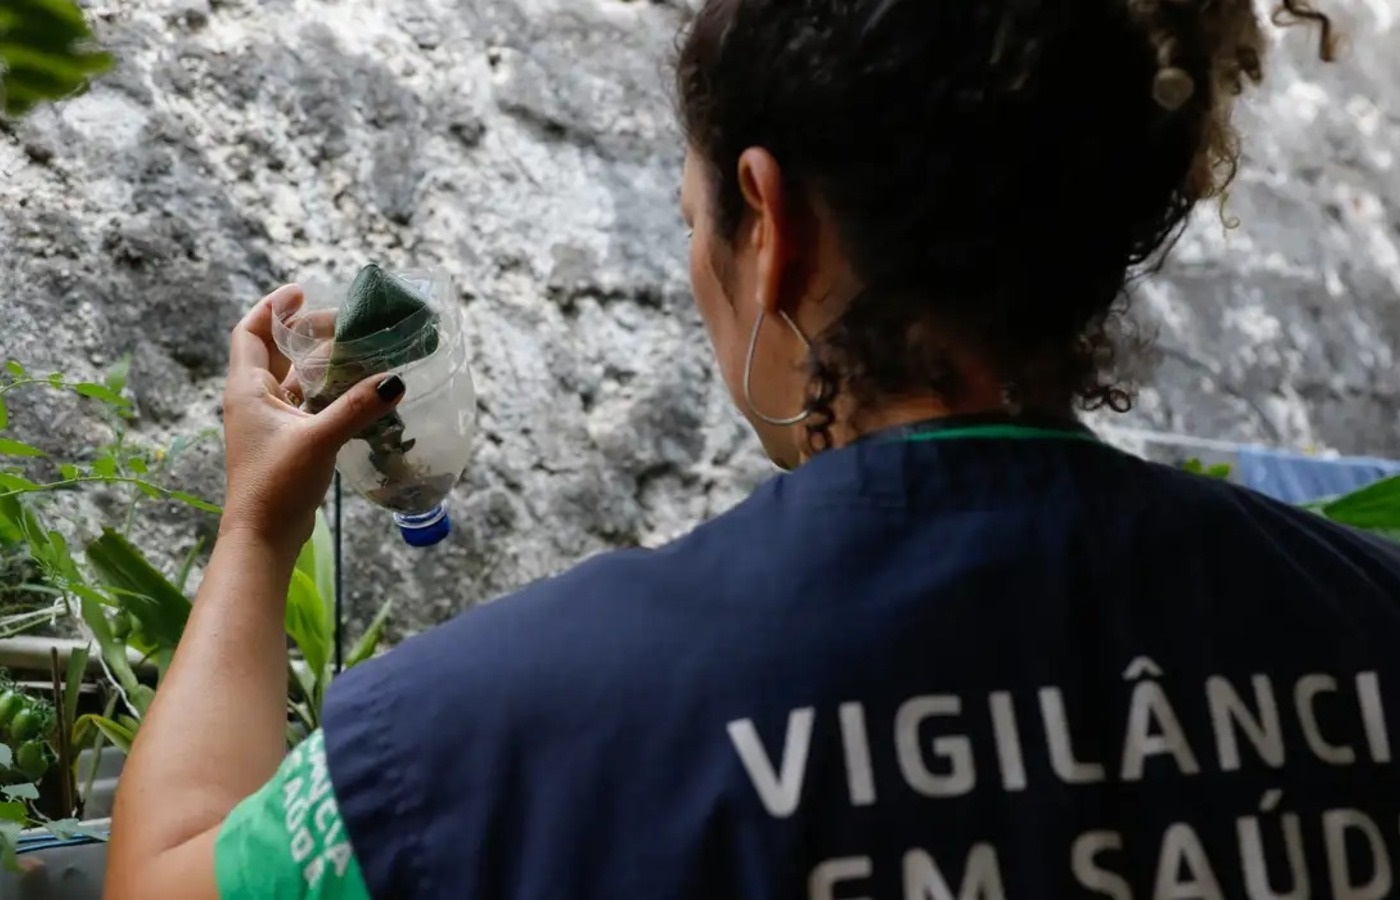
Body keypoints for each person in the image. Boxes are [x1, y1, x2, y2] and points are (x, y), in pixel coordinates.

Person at [101, 1, 1389, 898]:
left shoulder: (494, 736)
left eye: (693, 214)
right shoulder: (1367, 617)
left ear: (774, 228)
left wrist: (260, 524)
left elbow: (164, 876)